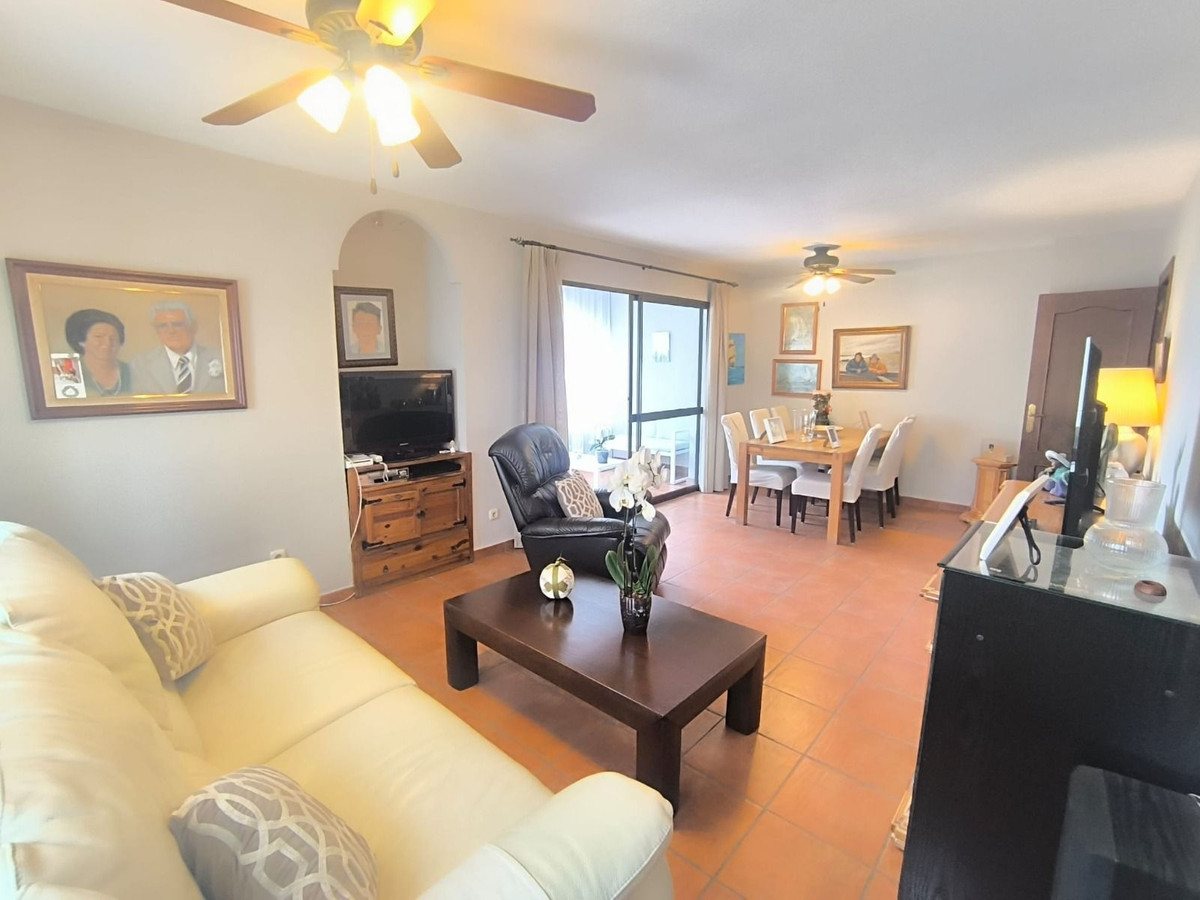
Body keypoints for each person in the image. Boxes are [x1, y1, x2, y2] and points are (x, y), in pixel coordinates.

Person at [128, 300, 224, 395]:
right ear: (156, 330)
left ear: (193, 326)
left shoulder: (221, 358)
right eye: (163, 326)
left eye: (177, 324)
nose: (171, 331)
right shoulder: (140, 365)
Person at [64, 308, 131, 396]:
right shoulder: (68, 369)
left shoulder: (132, 370)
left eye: (113, 337)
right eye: (99, 336)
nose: (107, 343)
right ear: (81, 341)